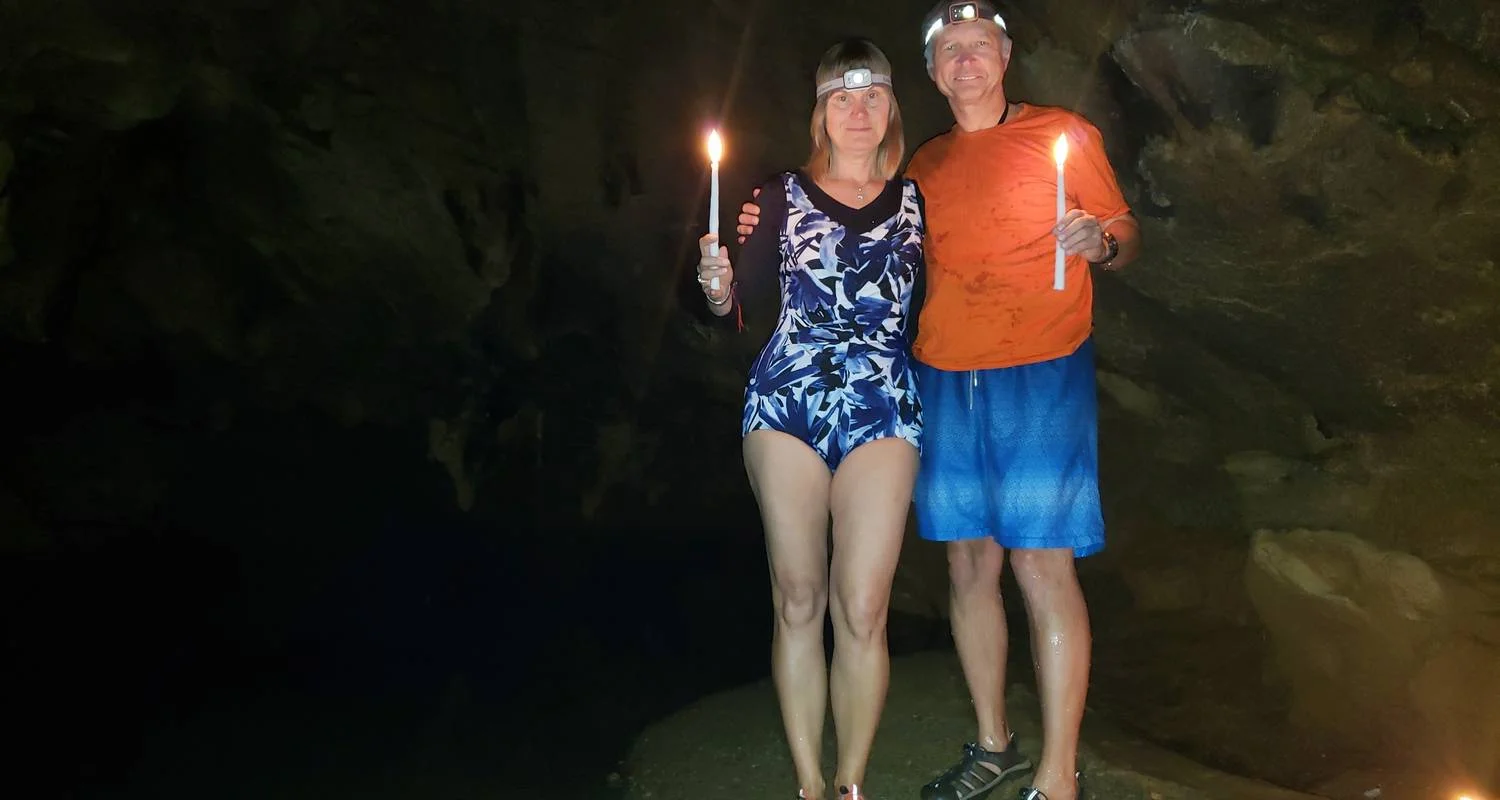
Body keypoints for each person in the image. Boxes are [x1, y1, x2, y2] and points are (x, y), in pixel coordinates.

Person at [736, 4, 1142, 799]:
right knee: (966, 564)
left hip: (1040, 370)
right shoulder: (924, 169)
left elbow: (1125, 230)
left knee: (1041, 565)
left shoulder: (1062, 136)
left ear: (1005, 55)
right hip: (945, 376)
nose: (965, 60)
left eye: (978, 46)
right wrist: (750, 235)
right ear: (931, 72)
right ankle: (994, 744)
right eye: (949, 50)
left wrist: (1103, 243)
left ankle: (1059, 776)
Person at [694, 38, 927, 800]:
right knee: (798, 597)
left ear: (891, 108)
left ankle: (851, 783)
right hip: (787, 402)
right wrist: (718, 289)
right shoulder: (777, 194)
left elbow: (931, 313)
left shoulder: (918, 202)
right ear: (820, 113)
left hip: (883, 404)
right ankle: (808, 783)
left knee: (863, 606)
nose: (857, 111)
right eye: (841, 97)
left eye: (872, 96)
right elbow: (736, 309)